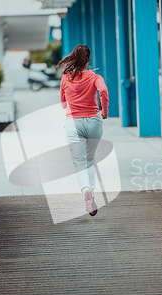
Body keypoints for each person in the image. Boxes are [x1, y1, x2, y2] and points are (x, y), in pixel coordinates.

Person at [56, 45, 108, 216]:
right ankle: (91, 191)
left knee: (80, 161)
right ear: (88, 59)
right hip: (93, 121)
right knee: (90, 159)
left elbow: (63, 103)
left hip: (73, 123)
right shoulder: (95, 76)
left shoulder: (65, 78)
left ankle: (86, 190)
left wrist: (71, 99)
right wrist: (104, 111)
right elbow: (104, 91)